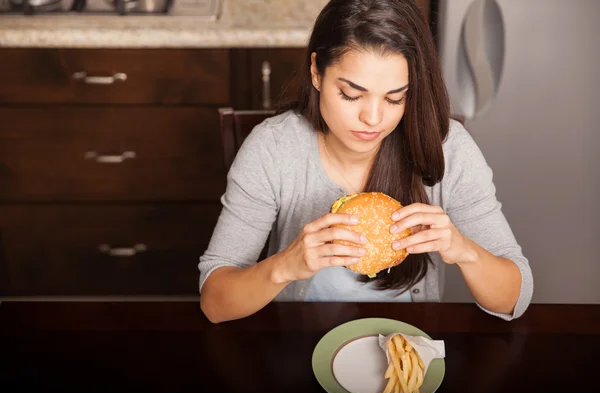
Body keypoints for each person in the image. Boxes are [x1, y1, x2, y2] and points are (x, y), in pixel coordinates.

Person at [198, 0, 533, 324]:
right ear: (317, 72)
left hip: (407, 354)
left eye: (394, 98)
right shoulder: (273, 149)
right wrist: (285, 266)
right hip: (299, 349)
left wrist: (463, 249)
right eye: (351, 95)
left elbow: (514, 298)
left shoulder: (450, 148)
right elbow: (215, 301)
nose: (373, 119)